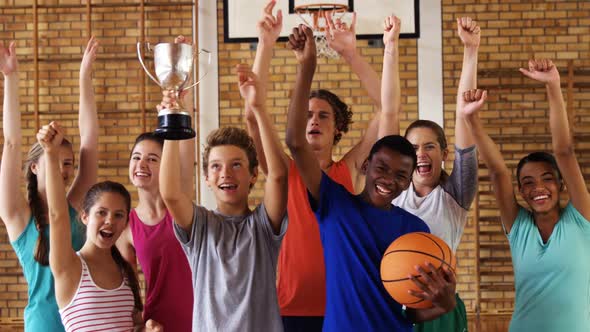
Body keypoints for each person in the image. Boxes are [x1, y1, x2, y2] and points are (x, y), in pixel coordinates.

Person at [285, 20, 457, 332]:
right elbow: (295, 142)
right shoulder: (334, 203)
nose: (389, 179)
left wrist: (444, 304)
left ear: (408, 180)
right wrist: (306, 66)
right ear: (367, 165)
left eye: (401, 175)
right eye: (382, 168)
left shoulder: (414, 229)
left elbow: (413, 313)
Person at [243, 2, 387, 330]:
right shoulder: (282, 169)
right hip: (289, 310)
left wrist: (352, 54)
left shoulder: (349, 169)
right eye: (307, 114)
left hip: (343, 305)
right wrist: (265, 44)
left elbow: (385, 107)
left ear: (338, 128)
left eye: (323, 115)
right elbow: (252, 115)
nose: (314, 120)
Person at [463, 60, 590, 332]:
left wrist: (553, 86)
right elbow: (498, 173)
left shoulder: (581, 219)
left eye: (547, 179)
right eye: (528, 183)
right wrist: (472, 119)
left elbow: (564, 152)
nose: (538, 188)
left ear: (561, 184)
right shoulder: (518, 226)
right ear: (521, 191)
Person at [159, 63, 288, 331]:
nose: (225, 173)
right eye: (216, 166)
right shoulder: (201, 226)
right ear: (206, 178)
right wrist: (171, 123)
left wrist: (259, 108)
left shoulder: (262, 227)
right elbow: (171, 193)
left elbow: (278, 175)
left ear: (254, 175)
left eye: (237, 165)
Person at [0, 38, 99, 331]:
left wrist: (84, 76)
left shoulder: (76, 206)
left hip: (82, 321)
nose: (64, 169)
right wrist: (11, 77)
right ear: (34, 167)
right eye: (55, 161)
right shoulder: (19, 215)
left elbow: (90, 140)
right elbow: (12, 142)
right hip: (43, 324)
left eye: (68, 163)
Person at [393, 17, 480, 332]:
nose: (421, 153)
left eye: (430, 147)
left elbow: (464, 117)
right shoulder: (393, 194)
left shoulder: (455, 194)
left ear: (444, 154)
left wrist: (470, 51)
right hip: (396, 304)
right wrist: (390, 47)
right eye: (414, 147)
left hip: (441, 308)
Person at [37, 122, 161, 332]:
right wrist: (50, 153)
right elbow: (57, 215)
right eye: (101, 213)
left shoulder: (125, 272)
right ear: (84, 217)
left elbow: (131, 326)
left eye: (118, 215)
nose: (110, 221)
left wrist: (147, 329)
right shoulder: (68, 266)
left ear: (124, 224)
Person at [116, 36, 194, 332]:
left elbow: (183, 145)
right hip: (156, 324)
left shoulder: (181, 202)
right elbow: (129, 291)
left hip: (198, 320)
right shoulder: (127, 227)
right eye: (136, 157)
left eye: (152, 159)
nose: (141, 165)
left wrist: (178, 102)